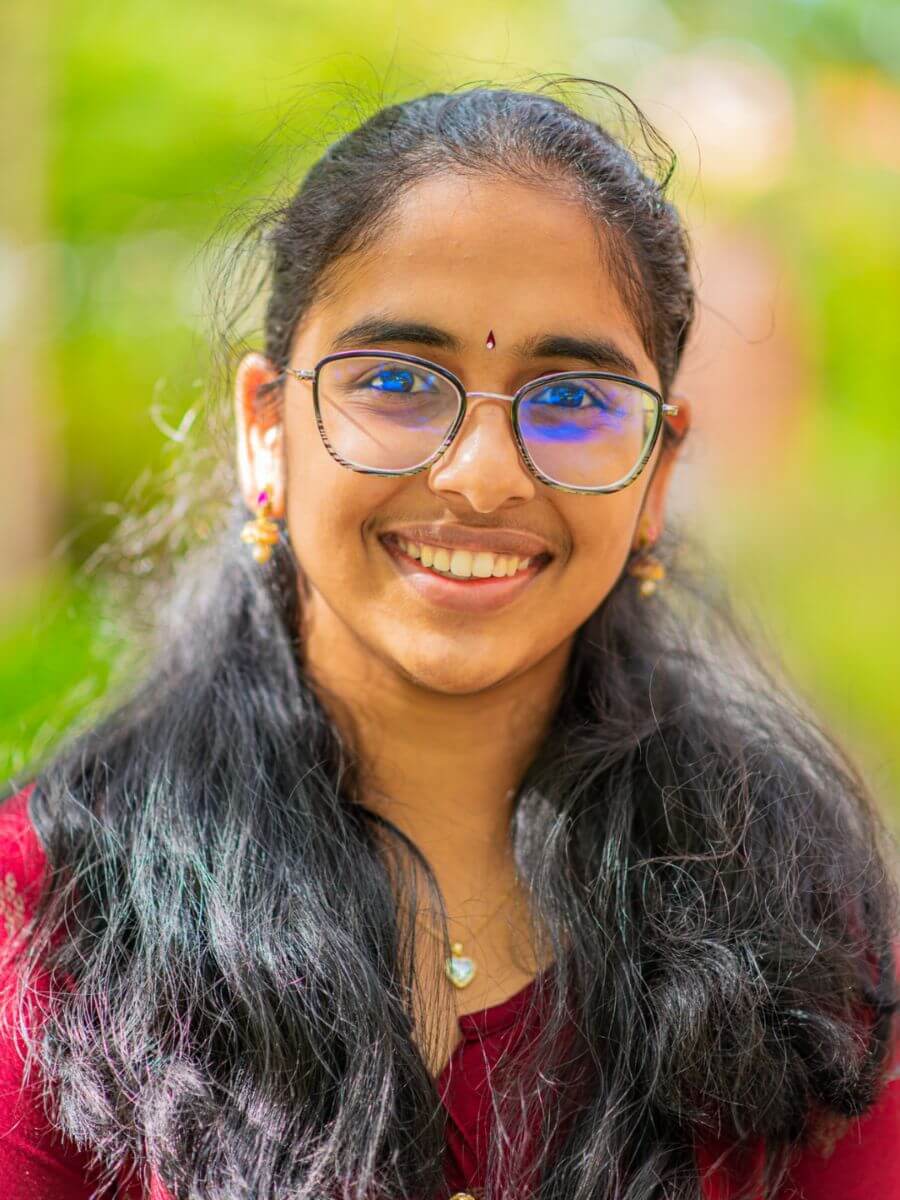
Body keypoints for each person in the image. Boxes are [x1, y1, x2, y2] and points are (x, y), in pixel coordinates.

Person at [0, 82, 897, 1200]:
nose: (481, 476)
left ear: (658, 473)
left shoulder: (798, 924)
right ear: (265, 431)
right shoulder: (55, 912)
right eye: (393, 382)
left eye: (572, 399)